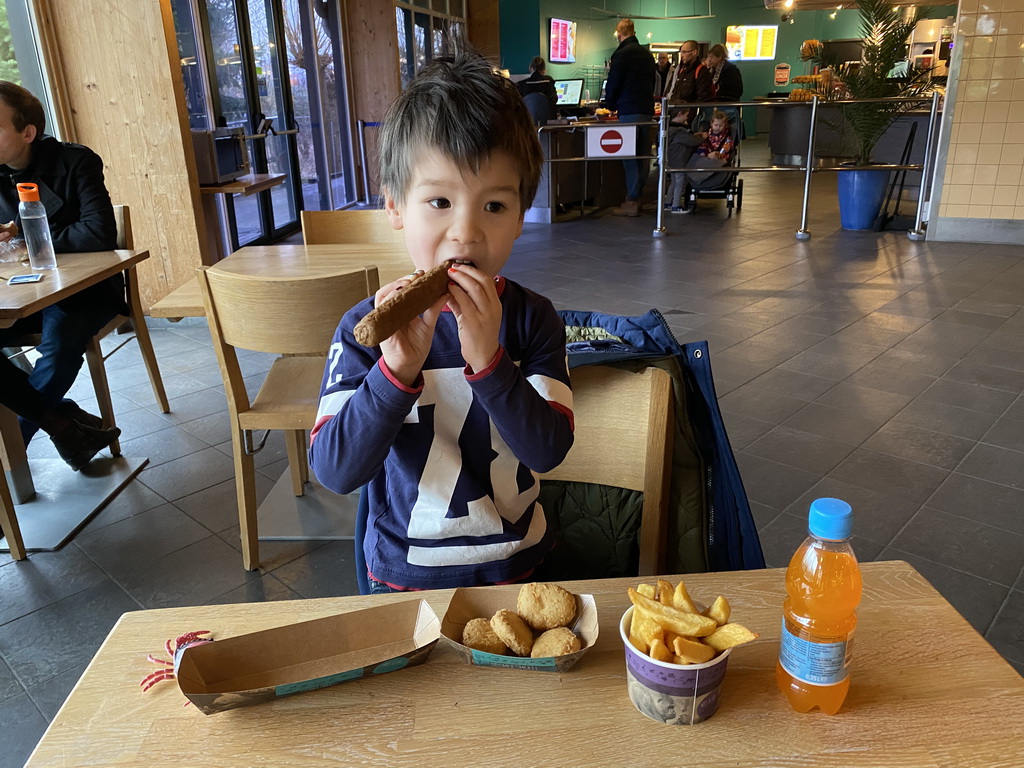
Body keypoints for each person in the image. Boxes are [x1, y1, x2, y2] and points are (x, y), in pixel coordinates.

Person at [309, 41, 575, 593]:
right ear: (394, 207)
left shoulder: (533, 320)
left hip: (521, 571)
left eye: (494, 206)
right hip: (404, 578)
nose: (466, 231)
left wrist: (490, 360)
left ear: (522, 217)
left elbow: (548, 451)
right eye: (439, 202)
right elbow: (336, 471)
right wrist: (394, 373)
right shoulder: (370, 329)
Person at [0, 81, 122, 470]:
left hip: (85, 290)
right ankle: (60, 422)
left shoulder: (75, 162)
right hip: (23, 295)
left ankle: (10, 452)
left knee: (59, 341)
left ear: (28, 133)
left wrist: (26, 239)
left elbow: (99, 232)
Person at [604, 18, 656, 217]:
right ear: (634, 31)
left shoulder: (620, 54)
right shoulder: (647, 54)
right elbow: (652, 81)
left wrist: (610, 105)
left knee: (629, 157)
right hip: (646, 110)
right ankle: (639, 196)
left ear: (619, 34)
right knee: (643, 156)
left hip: (628, 111)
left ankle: (631, 200)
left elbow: (613, 82)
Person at [676, 110, 735, 214]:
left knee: (723, 160)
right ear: (711, 124)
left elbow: (727, 147)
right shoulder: (707, 135)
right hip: (706, 158)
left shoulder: (727, 137)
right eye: (716, 125)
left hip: (720, 159)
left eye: (721, 125)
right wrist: (704, 154)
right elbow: (702, 145)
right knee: (699, 155)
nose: (718, 127)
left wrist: (719, 154)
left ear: (725, 125)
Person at [667, 40, 712, 128]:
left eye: (684, 52)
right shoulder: (682, 70)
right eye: (681, 52)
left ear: (694, 52)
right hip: (677, 117)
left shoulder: (701, 72)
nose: (682, 55)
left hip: (688, 119)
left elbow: (703, 98)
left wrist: (689, 117)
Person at [705, 44, 744, 127]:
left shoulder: (730, 70)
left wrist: (719, 92)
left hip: (727, 107)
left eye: (712, 57)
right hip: (718, 105)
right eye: (709, 57)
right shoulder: (713, 70)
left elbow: (737, 90)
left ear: (719, 57)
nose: (709, 60)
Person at [517, 56, 557, 122]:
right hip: (548, 123)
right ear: (543, 70)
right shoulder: (549, 81)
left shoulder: (522, 84)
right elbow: (554, 100)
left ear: (531, 68)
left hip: (528, 123)